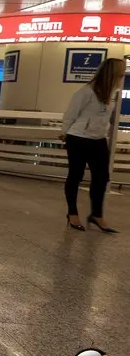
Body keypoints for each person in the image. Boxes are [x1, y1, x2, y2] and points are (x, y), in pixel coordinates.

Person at [61, 58, 123, 234]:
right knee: (76, 175)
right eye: (119, 73)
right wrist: (64, 131)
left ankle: (97, 214)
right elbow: (71, 113)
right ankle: (72, 213)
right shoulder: (86, 91)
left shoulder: (111, 94)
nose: (121, 77)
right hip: (78, 137)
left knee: (102, 177)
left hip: (98, 139)